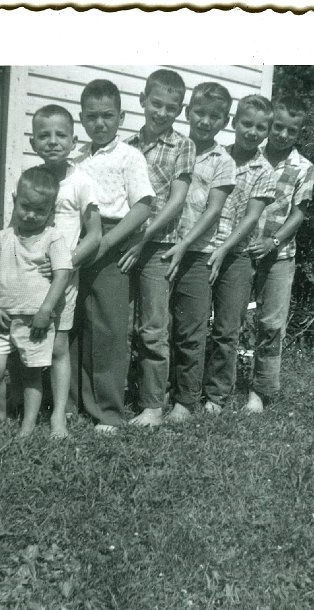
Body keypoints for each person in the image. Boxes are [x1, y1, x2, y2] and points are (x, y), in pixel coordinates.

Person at [70, 79, 155, 432]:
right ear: (81, 118)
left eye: (107, 116)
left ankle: (107, 411)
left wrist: (106, 243)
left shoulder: (129, 156)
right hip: (76, 237)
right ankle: (72, 404)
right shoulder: (76, 159)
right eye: (92, 117)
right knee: (73, 325)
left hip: (111, 240)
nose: (99, 123)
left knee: (108, 328)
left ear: (120, 117)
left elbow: (143, 207)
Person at [120, 69, 196, 427]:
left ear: (179, 110)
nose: (162, 112)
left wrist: (144, 237)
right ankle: (119, 394)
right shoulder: (127, 146)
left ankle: (152, 406)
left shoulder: (183, 145)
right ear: (142, 101)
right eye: (156, 104)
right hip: (123, 243)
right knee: (121, 323)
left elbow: (177, 200)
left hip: (157, 246)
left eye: (171, 107)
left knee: (152, 326)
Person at [162, 81, 236, 424]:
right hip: (161, 246)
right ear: (188, 111)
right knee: (157, 324)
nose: (206, 121)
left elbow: (213, 211)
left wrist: (186, 244)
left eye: (215, 116)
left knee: (191, 329)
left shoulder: (224, 161)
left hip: (196, 253)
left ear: (225, 121)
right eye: (200, 113)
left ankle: (185, 400)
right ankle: (156, 388)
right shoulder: (173, 146)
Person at [27, 104, 102, 438]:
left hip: (63, 280)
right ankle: (23, 410)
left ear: (74, 142)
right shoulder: (30, 179)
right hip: (28, 277)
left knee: (58, 348)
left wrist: (66, 262)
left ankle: (58, 416)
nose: (52, 142)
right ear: (33, 142)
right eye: (44, 135)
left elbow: (95, 235)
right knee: (26, 343)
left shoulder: (81, 183)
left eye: (61, 135)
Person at [0, 167, 72, 437]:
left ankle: (27, 426)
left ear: (51, 212)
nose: (31, 215)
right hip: (0, 317)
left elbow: (62, 275)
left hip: (35, 320)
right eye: (25, 207)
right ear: (15, 202)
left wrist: (45, 311)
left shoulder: (52, 238)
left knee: (32, 372)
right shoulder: (3, 237)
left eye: (40, 210)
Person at [202, 94, 277, 413]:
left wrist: (224, 250)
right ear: (234, 123)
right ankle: (181, 386)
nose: (252, 131)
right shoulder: (215, 156)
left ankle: (216, 395)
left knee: (226, 328)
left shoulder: (265, 170)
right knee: (189, 324)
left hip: (237, 255)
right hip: (202, 249)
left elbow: (250, 219)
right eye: (246, 123)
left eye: (261, 127)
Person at [244, 94, 314, 413]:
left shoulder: (303, 167)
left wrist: (273, 242)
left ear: (299, 133)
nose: (283, 135)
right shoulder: (249, 154)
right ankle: (212, 386)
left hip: (279, 255)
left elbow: (298, 214)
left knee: (271, 324)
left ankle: (260, 391)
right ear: (270, 124)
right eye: (278, 127)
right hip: (240, 250)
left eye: (292, 131)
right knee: (227, 320)